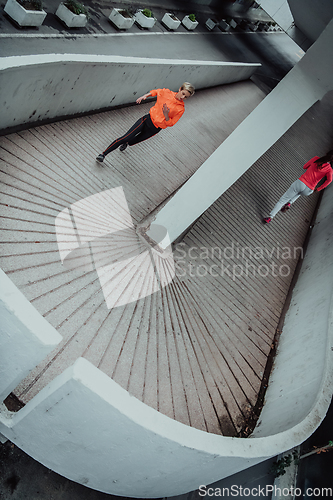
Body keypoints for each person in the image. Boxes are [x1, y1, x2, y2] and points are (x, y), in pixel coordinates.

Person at [96, 82, 195, 163]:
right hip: (146, 120)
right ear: (180, 89)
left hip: (154, 129)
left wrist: (166, 115)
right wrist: (145, 95)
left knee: (131, 141)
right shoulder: (167, 93)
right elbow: (156, 92)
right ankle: (103, 154)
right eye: (183, 93)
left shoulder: (180, 109)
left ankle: (127, 142)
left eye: (186, 97)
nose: (183, 97)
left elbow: (171, 123)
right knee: (125, 137)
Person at [263, 150, 333, 224]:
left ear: (326, 153)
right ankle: (290, 202)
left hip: (301, 183)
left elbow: (304, 166)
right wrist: (319, 189)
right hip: (309, 190)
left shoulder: (316, 159)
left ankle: (270, 217)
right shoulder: (330, 170)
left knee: (283, 200)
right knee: (299, 192)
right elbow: (329, 180)